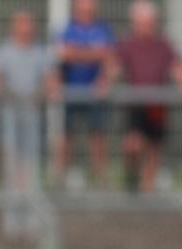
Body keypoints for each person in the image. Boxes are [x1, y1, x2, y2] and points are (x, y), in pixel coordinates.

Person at [115, 0, 182, 193]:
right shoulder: (128, 44)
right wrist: (104, 83)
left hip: (157, 107)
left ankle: (147, 195)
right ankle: (132, 180)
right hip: (135, 105)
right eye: (141, 22)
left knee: (153, 150)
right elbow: (115, 66)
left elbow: (178, 68)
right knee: (132, 144)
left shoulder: (163, 45)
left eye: (148, 22)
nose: (145, 26)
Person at [0, 11, 59, 194]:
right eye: (22, 23)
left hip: (32, 113)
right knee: (11, 153)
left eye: (29, 23)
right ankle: (12, 195)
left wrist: (43, 93)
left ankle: (29, 193)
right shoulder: (3, 51)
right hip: (9, 113)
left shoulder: (40, 52)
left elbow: (52, 81)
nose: (27, 27)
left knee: (30, 155)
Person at [54, 0, 114, 188]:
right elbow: (64, 54)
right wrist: (95, 53)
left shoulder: (103, 29)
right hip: (71, 91)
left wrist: (79, 53)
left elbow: (110, 57)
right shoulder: (68, 29)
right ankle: (60, 179)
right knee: (66, 135)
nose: (87, 10)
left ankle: (101, 179)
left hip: (95, 93)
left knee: (98, 136)